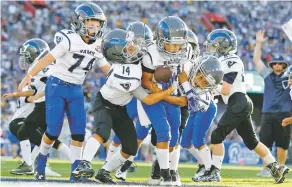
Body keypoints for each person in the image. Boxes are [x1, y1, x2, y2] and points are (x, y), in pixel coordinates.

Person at [17, 3, 110, 181]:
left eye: (97, 24)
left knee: (78, 132)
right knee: (53, 130)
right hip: (56, 86)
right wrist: (29, 74)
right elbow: (48, 58)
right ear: (79, 22)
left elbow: (107, 69)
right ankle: (41, 159)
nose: (94, 28)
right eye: (90, 23)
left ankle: (76, 171)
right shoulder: (69, 39)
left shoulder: (98, 44)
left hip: (76, 89)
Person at [72, 29, 175, 184]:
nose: (133, 47)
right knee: (102, 132)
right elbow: (147, 99)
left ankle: (104, 172)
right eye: (128, 47)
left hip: (120, 107)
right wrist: (167, 91)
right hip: (105, 103)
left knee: (130, 148)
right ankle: (83, 163)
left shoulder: (130, 63)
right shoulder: (126, 72)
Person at [198, 29, 289, 184]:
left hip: (237, 101)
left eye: (215, 46)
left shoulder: (230, 61)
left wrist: (210, 89)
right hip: (240, 102)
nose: (213, 49)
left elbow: (225, 89)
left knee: (216, 135)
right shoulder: (227, 60)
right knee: (252, 142)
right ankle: (276, 168)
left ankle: (214, 172)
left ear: (223, 46)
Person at [2, 38, 69, 177]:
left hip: (36, 112)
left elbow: (44, 86)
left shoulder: (43, 71)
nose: (25, 60)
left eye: (27, 56)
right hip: (35, 113)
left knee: (47, 142)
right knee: (48, 142)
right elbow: (34, 90)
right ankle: (38, 165)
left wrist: (24, 93)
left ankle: (35, 165)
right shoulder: (37, 73)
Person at [141, 16, 190, 185]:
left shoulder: (184, 51)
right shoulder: (151, 53)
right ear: (161, 40)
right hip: (154, 96)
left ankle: (167, 170)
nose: (177, 48)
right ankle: (164, 174)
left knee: (175, 134)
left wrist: (186, 92)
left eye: (179, 44)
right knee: (163, 132)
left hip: (172, 94)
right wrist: (160, 91)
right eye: (173, 44)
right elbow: (146, 80)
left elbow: (182, 73)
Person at [253, 30, 292, 177]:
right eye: (274, 63)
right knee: (265, 143)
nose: (276, 65)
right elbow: (257, 60)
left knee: (282, 145)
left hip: (284, 113)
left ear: (284, 65)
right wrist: (259, 44)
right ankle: (268, 169)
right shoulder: (267, 75)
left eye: (279, 63)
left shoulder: (290, 76)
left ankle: (280, 168)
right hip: (267, 113)